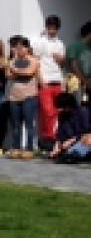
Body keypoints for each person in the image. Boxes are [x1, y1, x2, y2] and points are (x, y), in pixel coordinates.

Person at [32, 15, 66, 152]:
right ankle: (47, 138)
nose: (51, 30)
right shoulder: (39, 42)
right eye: (49, 28)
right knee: (47, 112)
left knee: (59, 111)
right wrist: (41, 80)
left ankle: (57, 139)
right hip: (45, 81)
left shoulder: (60, 43)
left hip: (57, 80)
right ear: (46, 27)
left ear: (58, 29)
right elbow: (36, 62)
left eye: (54, 28)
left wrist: (61, 59)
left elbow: (63, 64)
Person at [7, 37, 40, 160]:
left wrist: (16, 71)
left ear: (27, 48)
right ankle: (16, 147)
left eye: (22, 47)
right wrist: (18, 71)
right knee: (16, 124)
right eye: (17, 48)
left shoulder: (33, 60)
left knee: (29, 124)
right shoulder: (12, 60)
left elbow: (29, 72)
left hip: (29, 95)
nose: (19, 50)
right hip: (14, 96)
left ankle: (29, 148)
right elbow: (8, 74)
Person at [48, 93, 91, 162]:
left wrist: (72, 140)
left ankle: (73, 154)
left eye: (62, 107)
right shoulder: (62, 115)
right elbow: (60, 132)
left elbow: (87, 131)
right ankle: (69, 154)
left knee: (85, 142)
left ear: (69, 105)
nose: (60, 110)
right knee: (44, 142)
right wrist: (57, 145)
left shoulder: (83, 112)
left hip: (83, 139)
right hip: (69, 142)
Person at [67, 21, 91, 106]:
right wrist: (84, 80)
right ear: (89, 33)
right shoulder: (75, 45)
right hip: (74, 80)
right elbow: (73, 65)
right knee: (78, 105)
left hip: (87, 82)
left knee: (86, 105)